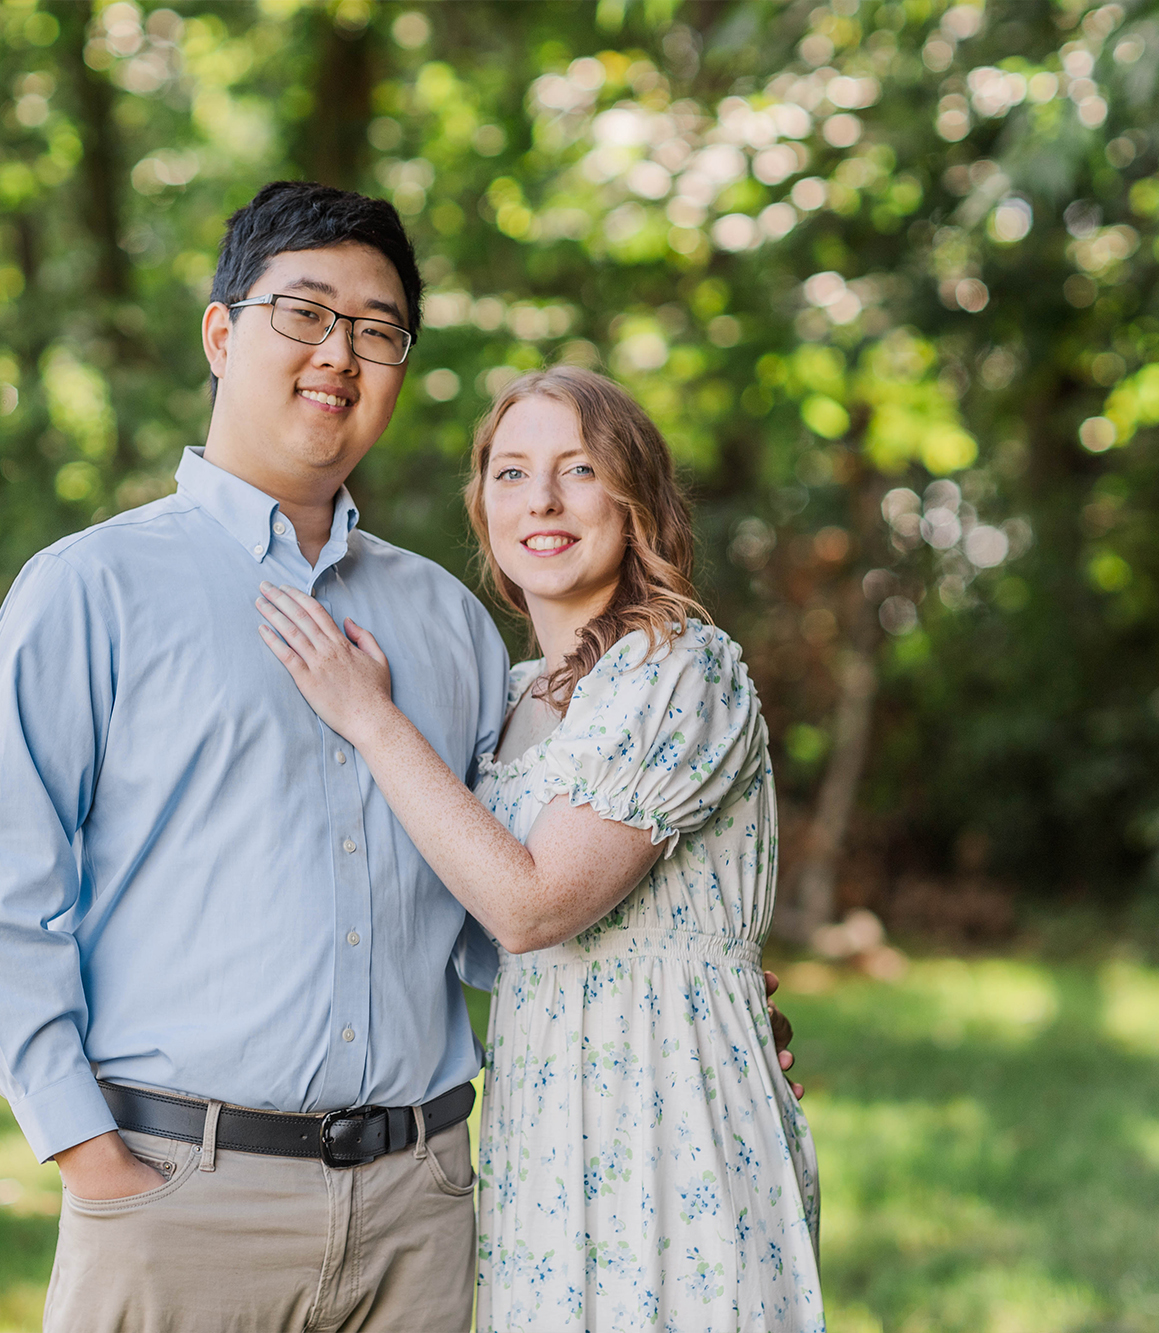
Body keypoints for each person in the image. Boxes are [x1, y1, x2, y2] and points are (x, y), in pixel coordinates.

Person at [0, 182, 797, 1331]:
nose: (338, 353)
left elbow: (501, 894)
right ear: (220, 332)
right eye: (303, 313)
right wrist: (89, 1155)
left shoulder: (443, 620)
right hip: (183, 1199)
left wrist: (695, 1002)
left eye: (376, 330)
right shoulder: (91, 589)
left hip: (422, 1214)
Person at [256, 366, 825, 1331]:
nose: (544, 501)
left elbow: (530, 906)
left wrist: (369, 716)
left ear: (634, 497)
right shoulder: (517, 698)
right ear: (483, 507)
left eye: (579, 470)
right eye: (512, 474)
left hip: (671, 1124)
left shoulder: (679, 666)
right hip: (547, 1129)